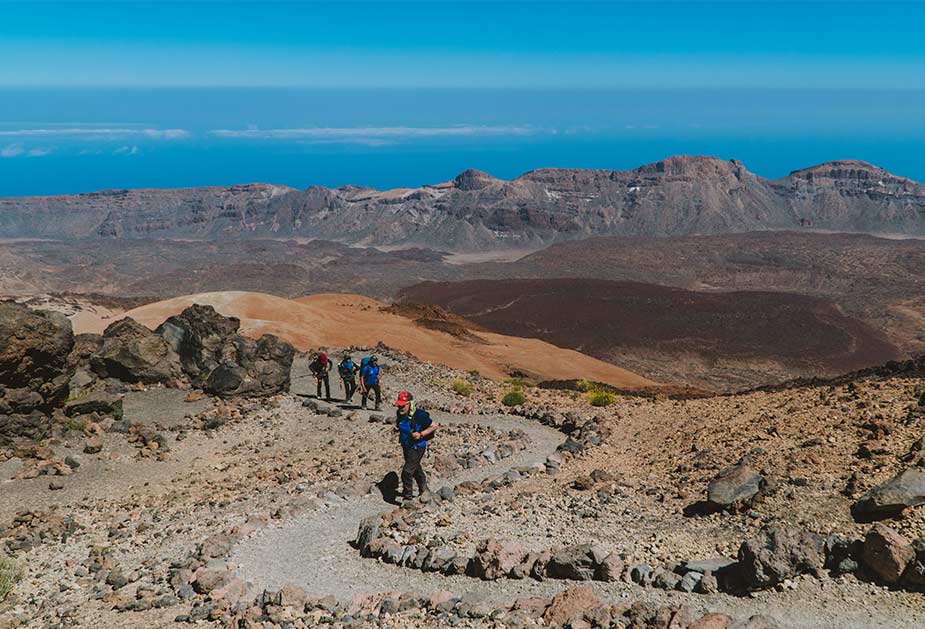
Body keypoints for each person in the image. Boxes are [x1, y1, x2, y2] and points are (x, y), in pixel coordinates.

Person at [395, 391, 438, 502]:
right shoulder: (399, 414)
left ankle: (408, 497)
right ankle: (424, 489)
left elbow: (434, 426)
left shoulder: (419, 415)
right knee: (416, 468)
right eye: (399, 405)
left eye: (403, 405)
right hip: (406, 446)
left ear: (410, 404)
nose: (400, 407)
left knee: (407, 471)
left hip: (417, 447)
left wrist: (420, 434)